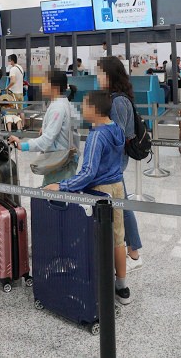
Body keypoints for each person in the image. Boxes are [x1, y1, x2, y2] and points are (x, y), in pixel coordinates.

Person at [42, 90, 129, 304]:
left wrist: (62, 186)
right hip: (118, 187)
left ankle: (99, 285)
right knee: (118, 238)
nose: (82, 109)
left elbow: (89, 172)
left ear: (95, 109)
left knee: (99, 239)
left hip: (100, 191)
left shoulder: (97, 135)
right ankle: (122, 287)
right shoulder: (116, 129)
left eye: (85, 105)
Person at [96, 56, 144, 271]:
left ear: (110, 75)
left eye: (100, 73)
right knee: (120, 202)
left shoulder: (118, 101)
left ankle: (134, 253)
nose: (97, 77)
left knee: (122, 205)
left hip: (114, 160)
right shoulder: (116, 98)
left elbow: (118, 135)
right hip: (113, 159)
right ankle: (131, 250)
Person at [9, 70, 78, 185]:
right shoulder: (61, 102)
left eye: (45, 82)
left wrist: (23, 145)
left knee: (54, 199)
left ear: (54, 87)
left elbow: (47, 140)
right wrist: (46, 128)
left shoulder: (58, 107)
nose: (42, 85)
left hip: (60, 163)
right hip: (61, 161)